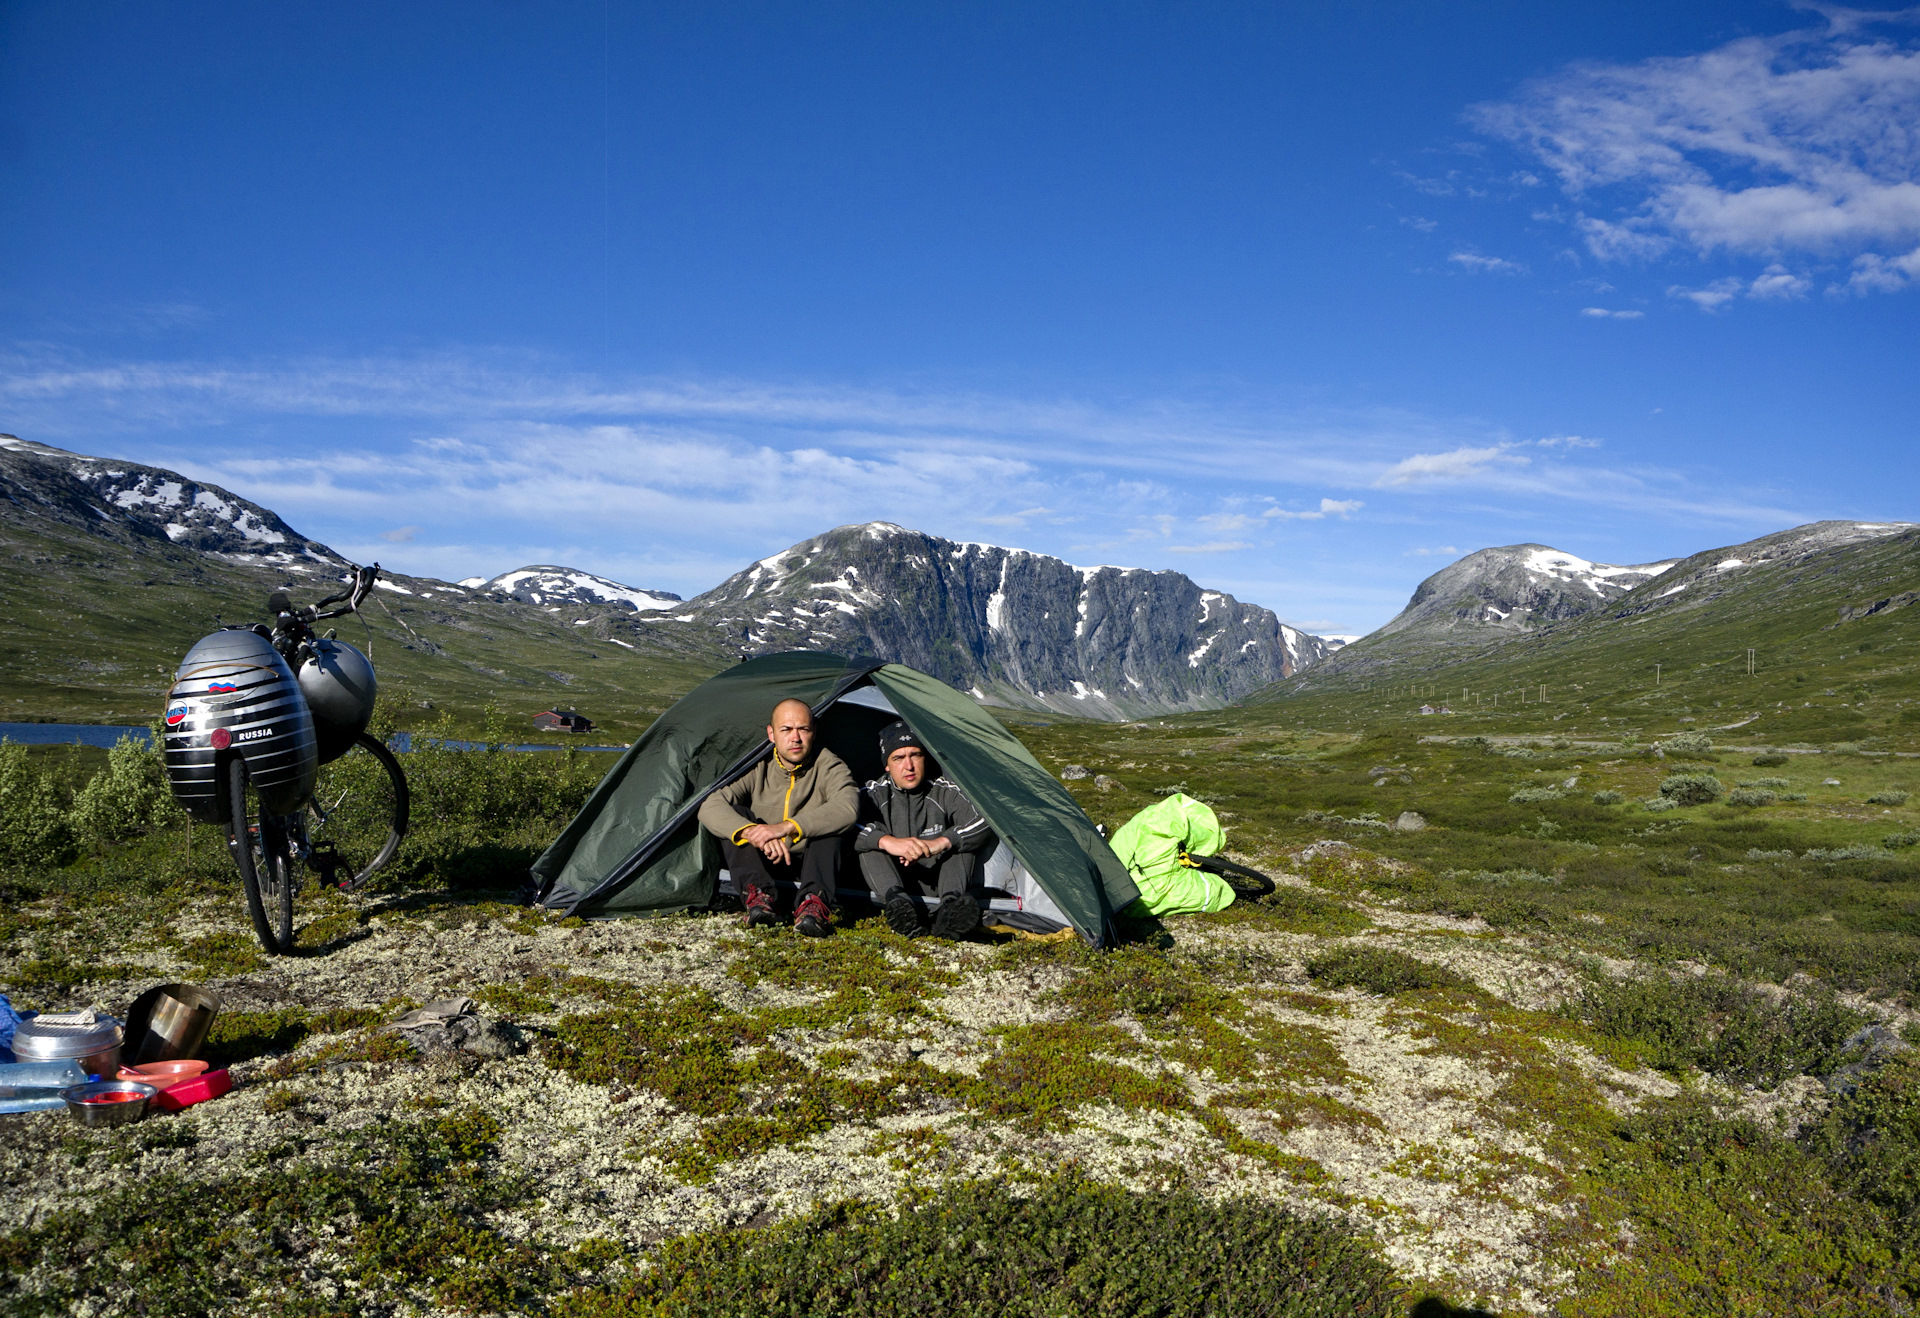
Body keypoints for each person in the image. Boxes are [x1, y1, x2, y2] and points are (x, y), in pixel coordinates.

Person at [698, 698, 858, 937]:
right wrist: (751, 832)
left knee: (831, 826)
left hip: (810, 864)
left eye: (803, 729)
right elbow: (710, 805)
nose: (795, 738)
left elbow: (848, 808)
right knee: (735, 819)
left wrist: (785, 828)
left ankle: (814, 905)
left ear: (813, 732)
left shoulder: (829, 766)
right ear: (771, 734)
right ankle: (759, 900)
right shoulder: (758, 767)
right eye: (786, 730)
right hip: (764, 862)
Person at [855, 720, 993, 940]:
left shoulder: (944, 789)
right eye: (898, 758)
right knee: (869, 843)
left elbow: (985, 820)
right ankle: (900, 909)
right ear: (887, 765)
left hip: (938, 881)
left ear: (925, 757)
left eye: (915, 755)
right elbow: (847, 824)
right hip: (892, 883)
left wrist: (941, 842)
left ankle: (950, 910)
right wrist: (888, 842)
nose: (908, 766)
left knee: (959, 840)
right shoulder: (874, 793)